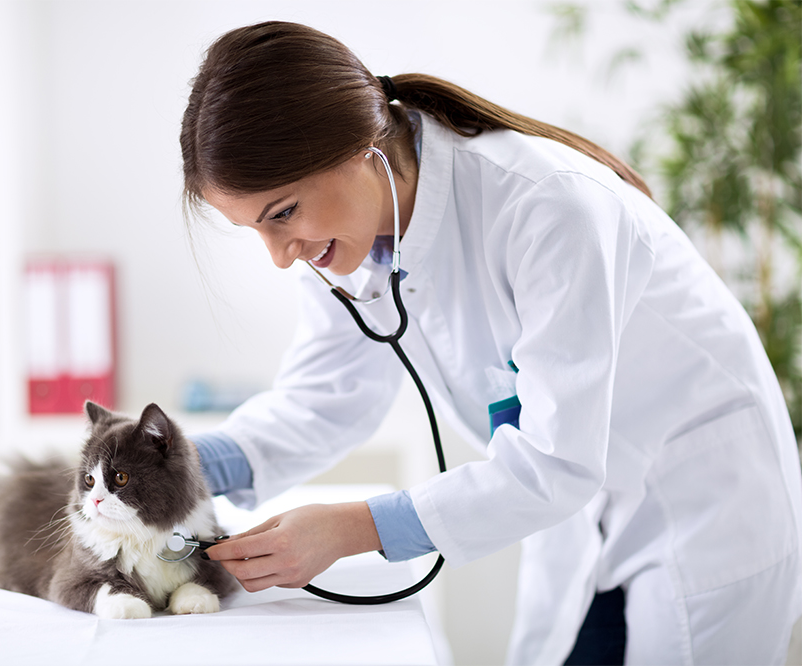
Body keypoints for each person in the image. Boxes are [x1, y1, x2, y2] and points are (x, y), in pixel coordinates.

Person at [179, 20, 801, 665]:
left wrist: (354, 527)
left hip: (701, 508)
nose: (281, 256)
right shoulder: (341, 248)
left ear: (361, 148)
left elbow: (556, 461)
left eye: (283, 213)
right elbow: (327, 399)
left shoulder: (549, 205)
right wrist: (171, 466)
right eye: (254, 228)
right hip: (582, 518)